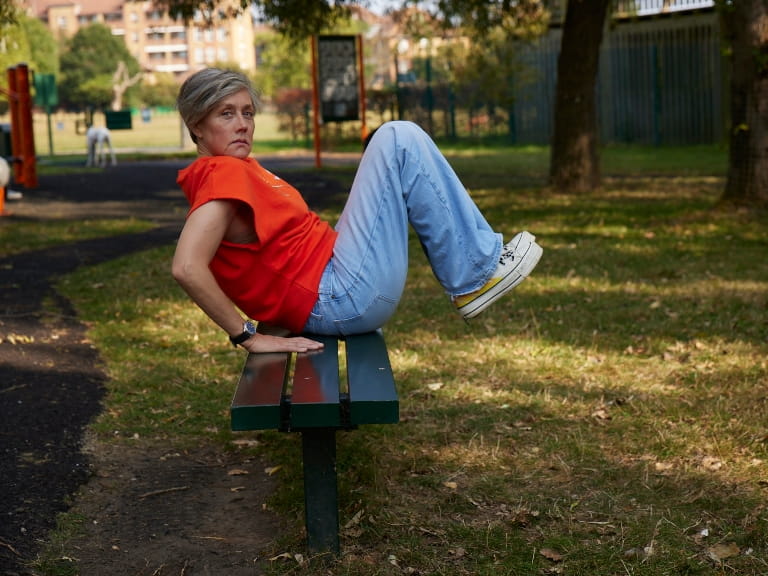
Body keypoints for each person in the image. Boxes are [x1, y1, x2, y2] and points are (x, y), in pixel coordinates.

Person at [172, 68, 542, 354]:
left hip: (336, 282)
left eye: (248, 113)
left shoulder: (234, 168)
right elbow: (187, 266)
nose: (242, 124)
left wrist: (278, 314)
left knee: (397, 139)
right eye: (226, 114)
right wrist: (246, 336)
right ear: (196, 126)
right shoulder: (221, 176)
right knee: (397, 138)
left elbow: (259, 260)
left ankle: (472, 272)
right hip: (340, 295)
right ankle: (475, 276)